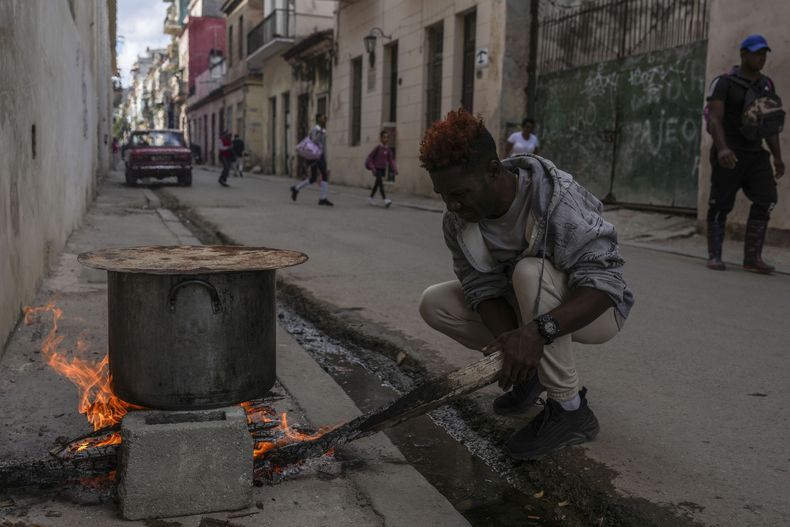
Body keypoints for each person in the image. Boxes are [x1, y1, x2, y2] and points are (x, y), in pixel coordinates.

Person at [417, 109, 634, 460]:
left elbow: (605, 283)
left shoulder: (555, 199)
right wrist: (514, 346)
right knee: (434, 303)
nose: (452, 205)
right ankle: (529, 375)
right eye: (443, 195)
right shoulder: (457, 221)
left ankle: (570, 410)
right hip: (530, 312)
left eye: (459, 193)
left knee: (529, 272)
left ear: (492, 171)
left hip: (595, 313)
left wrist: (536, 332)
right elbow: (479, 286)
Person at [705, 34, 784, 274]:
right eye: (756, 53)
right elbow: (714, 120)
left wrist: (777, 157)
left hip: (755, 154)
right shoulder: (724, 83)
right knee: (720, 204)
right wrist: (723, 148)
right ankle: (715, 255)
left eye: (763, 53)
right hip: (729, 152)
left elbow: (769, 125)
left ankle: (752, 258)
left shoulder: (767, 85)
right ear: (743, 54)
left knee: (767, 198)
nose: (760, 57)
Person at [290, 114, 333, 206]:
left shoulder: (323, 130)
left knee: (320, 176)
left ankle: (322, 198)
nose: (325, 119)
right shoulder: (316, 129)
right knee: (316, 177)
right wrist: (320, 132)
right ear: (318, 119)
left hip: (320, 155)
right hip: (314, 156)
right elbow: (314, 141)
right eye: (323, 117)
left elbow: (323, 145)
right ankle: (321, 198)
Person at [365, 130, 398, 208]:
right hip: (376, 169)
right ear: (381, 138)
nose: (385, 139)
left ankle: (370, 198)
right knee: (380, 184)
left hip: (383, 169)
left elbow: (391, 161)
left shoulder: (388, 150)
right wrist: (372, 168)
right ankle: (385, 199)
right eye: (384, 137)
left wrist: (395, 169)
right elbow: (370, 157)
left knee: (377, 184)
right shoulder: (378, 148)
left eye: (387, 137)